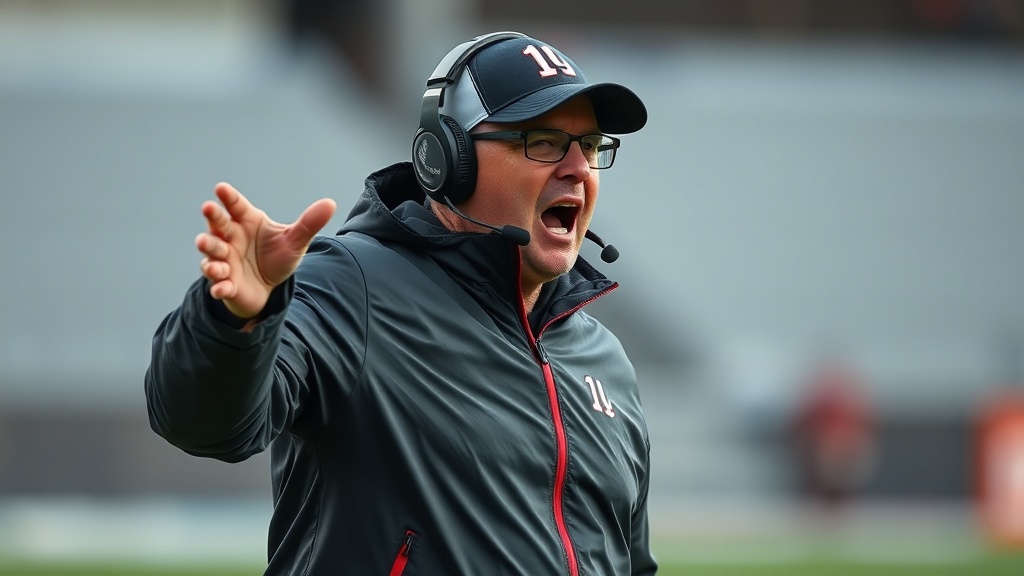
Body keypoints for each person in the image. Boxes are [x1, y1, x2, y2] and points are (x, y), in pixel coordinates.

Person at [145, 30, 655, 576]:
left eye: (591, 145)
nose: (578, 168)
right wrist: (235, 321)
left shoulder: (606, 360)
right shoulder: (352, 287)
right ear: (447, 159)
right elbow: (205, 424)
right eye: (544, 141)